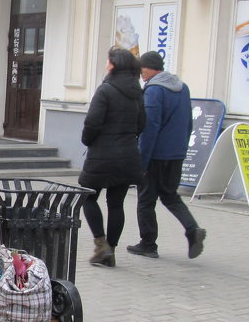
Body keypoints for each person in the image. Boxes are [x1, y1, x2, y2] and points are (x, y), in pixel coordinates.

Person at [127, 51, 206, 259]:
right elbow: (189, 123)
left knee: (145, 200)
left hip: (155, 156)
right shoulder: (182, 88)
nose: (140, 73)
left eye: (141, 69)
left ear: (151, 68)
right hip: (176, 154)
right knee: (170, 195)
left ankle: (148, 243)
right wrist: (182, 150)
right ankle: (192, 229)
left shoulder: (154, 91)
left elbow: (149, 128)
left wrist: (141, 162)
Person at [78, 47, 146, 268]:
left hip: (101, 156)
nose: (106, 63)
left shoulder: (105, 90)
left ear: (114, 64)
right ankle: (111, 251)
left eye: (108, 60)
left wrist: (88, 141)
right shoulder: (137, 91)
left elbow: (92, 123)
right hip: (127, 155)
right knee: (116, 204)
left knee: (88, 197)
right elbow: (142, 124)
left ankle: (101, 245)